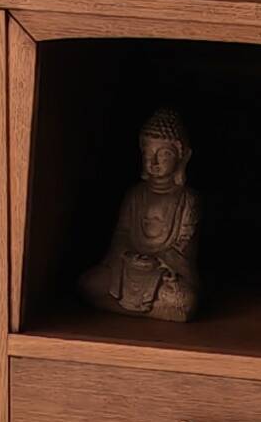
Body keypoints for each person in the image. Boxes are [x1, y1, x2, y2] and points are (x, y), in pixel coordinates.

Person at [80, 106, 200, 322]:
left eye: (163, 154)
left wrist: (159, 262)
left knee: (184, 301)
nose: (153, 162)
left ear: (183, 157)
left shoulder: (187, 199)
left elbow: (185, 246)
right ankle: (156, 311)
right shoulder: (135, 194)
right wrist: (129, 255)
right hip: (128, 268)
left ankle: (131, 307)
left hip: (163, 272)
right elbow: (122, 235)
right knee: (90, 283)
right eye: (148, 153)